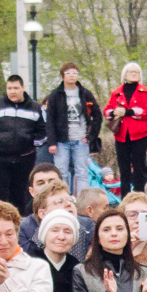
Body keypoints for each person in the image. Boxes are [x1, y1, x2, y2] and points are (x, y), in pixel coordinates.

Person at [0, 75, 46, 213]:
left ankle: (20, 228)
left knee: (21, 197)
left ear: (23, 88)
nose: (12, 91)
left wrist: (30, 142)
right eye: (9, 88)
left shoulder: (35, 108)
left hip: (25, 160)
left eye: (15, 88)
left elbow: (45, 131)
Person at [42, 62, 103, 195]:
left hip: (80, 140)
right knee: (61, 172)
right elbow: (50, 120)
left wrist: (91, 136)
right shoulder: (55, 95)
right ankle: (63, 198)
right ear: (63, 76)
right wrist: (52, 142)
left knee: (82, 172)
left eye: (74, 73)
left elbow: (97, 115)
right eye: (68, 73)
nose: (71, 76)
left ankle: (82, 201)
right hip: (61, 141)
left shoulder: (85, 93)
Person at [102, 63, 147, 201]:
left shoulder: (145, 91)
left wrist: (128, 112)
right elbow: (106, 111)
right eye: (131, 71)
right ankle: (125, 200)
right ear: (124, 74)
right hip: (121, 136)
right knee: (124, 170)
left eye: (136, 71)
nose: (134, 73)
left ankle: (140, 198)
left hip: (140, 135)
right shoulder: (116, 92)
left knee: (139, 169)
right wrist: (114, 112)